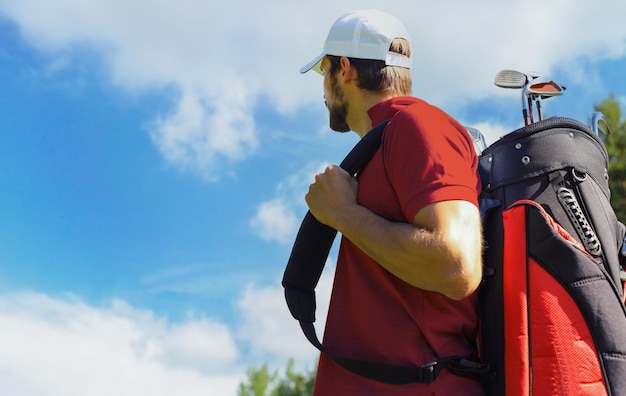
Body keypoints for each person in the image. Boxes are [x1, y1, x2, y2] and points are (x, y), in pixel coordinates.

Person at [299, 9, 484, 395]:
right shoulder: (383, 146)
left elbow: (456, 265)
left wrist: (344, 214)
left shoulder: (419, 125)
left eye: (324, 73)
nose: (323, 88)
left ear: (344, 69)